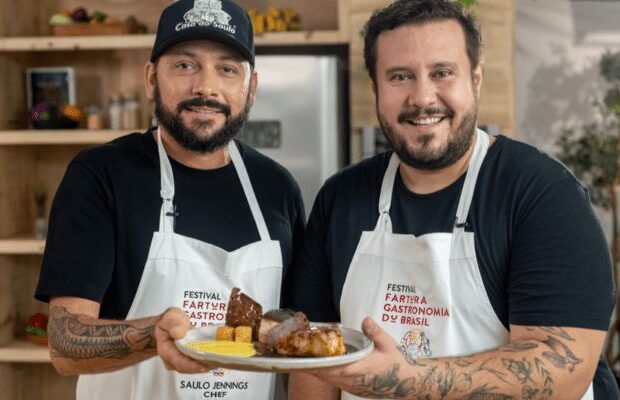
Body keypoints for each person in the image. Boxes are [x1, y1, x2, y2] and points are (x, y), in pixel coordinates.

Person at [286, 0, 618, 399]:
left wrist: (407, 378)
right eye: (400, 76)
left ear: (476, 79)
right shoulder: (340, 199)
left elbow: (562, 372)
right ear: (375, 87)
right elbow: (312, 366)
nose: (422, 97)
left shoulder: (542, 195)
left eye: (442, 72)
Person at [34, 0, 304, 399]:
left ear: (251, 90)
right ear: (150, 79)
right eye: (184, 65)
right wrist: (152, 335)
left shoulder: (277, 188)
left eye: (227, 69)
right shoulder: (100, 175)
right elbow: (64, 344)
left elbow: (290, 336)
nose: (205, 87)